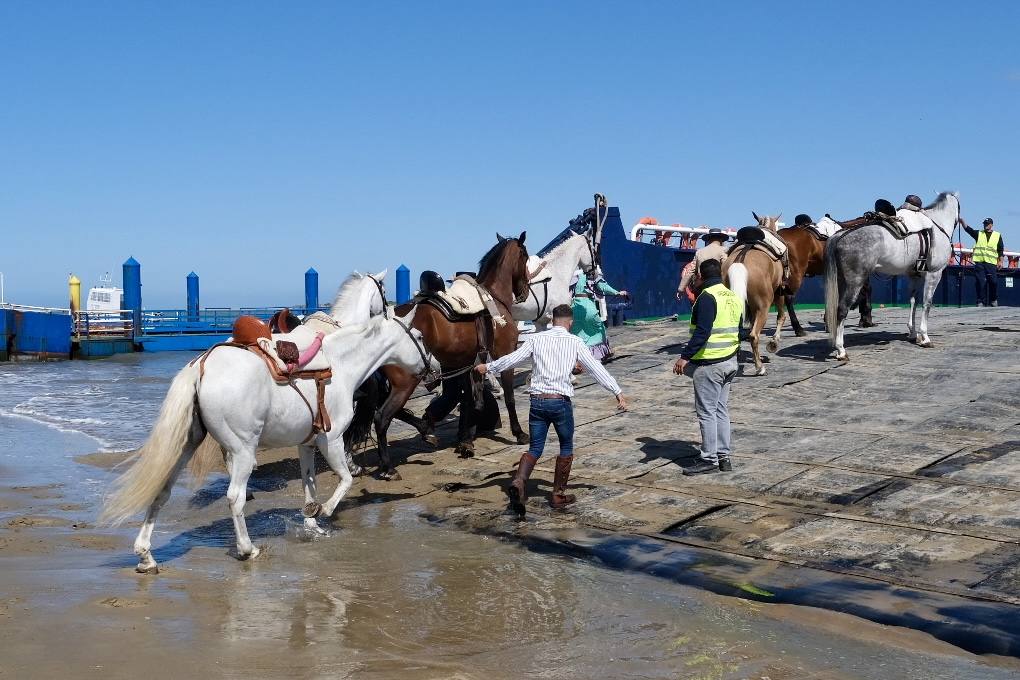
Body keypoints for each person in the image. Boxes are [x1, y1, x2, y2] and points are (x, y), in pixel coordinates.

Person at [476, 304, 627, 516]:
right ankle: (558, 495)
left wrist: (488, 367)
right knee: (566, 447)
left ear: (552, 320)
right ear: (570, 322)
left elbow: (512, 359)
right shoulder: (575, 342)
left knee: (536, 448)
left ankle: (519, 482)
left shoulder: (536, 339)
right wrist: (617, 391)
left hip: (537, 402)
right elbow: (596, 368)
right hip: (560, 402)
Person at [673, 258, 742, 476]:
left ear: (700, 277)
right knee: (721, 410)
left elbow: (702, 331)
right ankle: (724, 457)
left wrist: (684, 358)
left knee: (706, 413)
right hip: (730, 361)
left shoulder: (706, 297)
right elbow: (740, 330)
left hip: (710, 363)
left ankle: (709, 459)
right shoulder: (732, 296)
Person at [570, 266, 629, 362]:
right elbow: (603, 286)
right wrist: (617, 293)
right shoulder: (591, 271)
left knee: (577, 332)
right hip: (587, 304)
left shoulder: (571, 273)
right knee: (599, 329)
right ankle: (602, 353)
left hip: (574, 307)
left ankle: (578, 359)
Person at [960, 217, 1004, 307]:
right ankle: (980, 301)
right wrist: (962, 221)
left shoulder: (997, 235)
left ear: (991, 225)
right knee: (981, 282)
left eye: (987, 224)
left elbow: (1000, 250)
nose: (985, 225)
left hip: (991, 263)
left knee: (993, 282)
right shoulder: (979, 234)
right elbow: (969, 230)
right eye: (984, 224)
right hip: (979, 262)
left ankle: (993, 299)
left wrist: (1000, 262)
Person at [677, 228, 729, 300]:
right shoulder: (724, 250)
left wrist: (681, 289)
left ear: (708, 239)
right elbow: (726, 269)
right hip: (719, 288)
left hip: (701, 287)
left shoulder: (699, 252)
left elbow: (690, 271)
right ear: (721, 239)